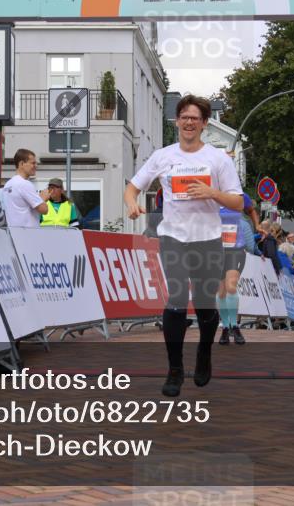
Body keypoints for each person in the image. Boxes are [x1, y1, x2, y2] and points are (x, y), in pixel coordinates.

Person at [124, 95, 243, 398]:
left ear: (204, 124)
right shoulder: (162, 156)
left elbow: (238, 202)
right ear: (176, 121)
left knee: (205, 304)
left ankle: (204, 351)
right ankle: (175, 369)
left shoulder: (219, 159)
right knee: (176, 298)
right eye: (184, 117)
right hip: (173, 237)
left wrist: (211, 192)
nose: (189, 122)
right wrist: (132, 204)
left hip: (207, 239)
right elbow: (133, 187)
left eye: (195, 118)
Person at [217, 192, 260, 346]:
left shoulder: (241, 195)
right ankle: (225, 327)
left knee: (231, 286)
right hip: (217, 251)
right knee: (221, 292)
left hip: (236, 249)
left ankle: (234, 326)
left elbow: (251, 210)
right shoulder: (212, 193)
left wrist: (257, 225)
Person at [3, 149, 49, 228]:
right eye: (33, 163)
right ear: (21, 164)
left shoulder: (7, 185)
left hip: (14, 233)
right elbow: (44, 210)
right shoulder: (24, 184)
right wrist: (43, 198)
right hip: (28, 235)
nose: (36, 166)